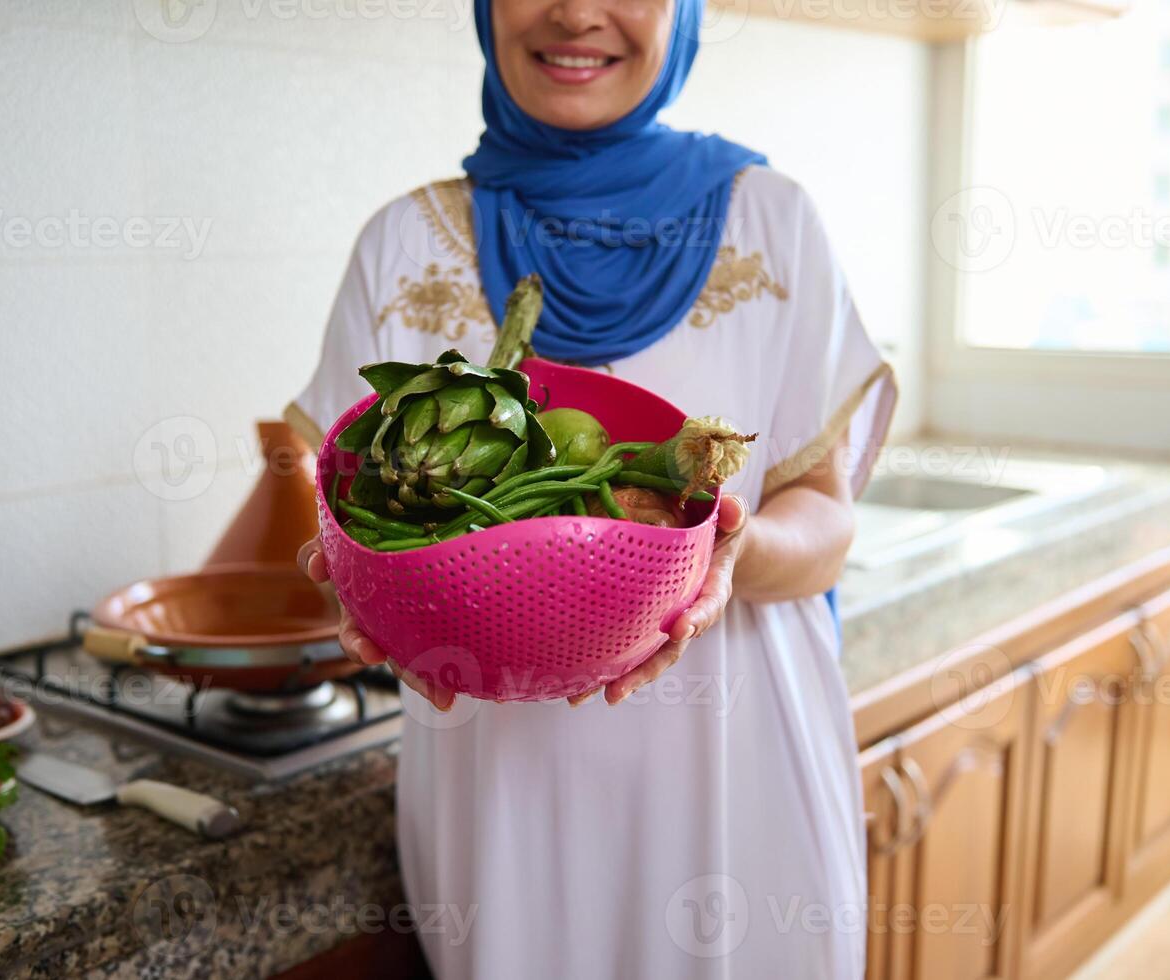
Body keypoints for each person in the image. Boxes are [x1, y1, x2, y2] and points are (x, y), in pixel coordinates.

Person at [288, 0, 897, 974]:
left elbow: (824, 519)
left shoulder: (773, 221)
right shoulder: (400, 246)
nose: (575, 12)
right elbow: (343, 524)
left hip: (738, 782)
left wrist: (728, 554)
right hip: (501, 795)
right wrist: (350, 586)